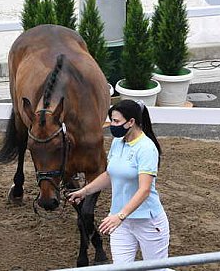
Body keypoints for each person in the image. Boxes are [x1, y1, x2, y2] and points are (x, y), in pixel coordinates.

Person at [67, 99, 170, 265]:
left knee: (157, 268)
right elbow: (110, 174)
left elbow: (144, 190)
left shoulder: (146, 148)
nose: (112, 125)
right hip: (121, 222)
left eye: (116, 121)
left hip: (147, 222)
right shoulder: (117, 143)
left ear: (131, 122)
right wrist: (84, 191)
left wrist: (120, 216)